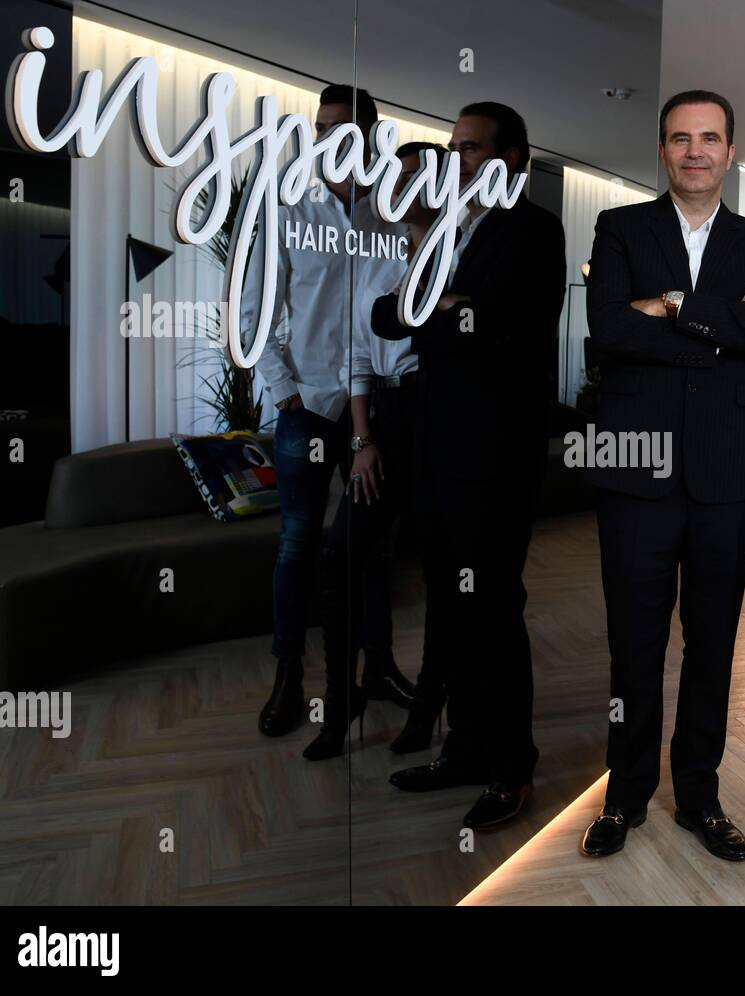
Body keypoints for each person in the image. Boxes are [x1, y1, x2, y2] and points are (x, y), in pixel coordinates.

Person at [579, 90, 745, 862]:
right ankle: (624, 794)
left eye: (709, 138)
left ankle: (699, 796)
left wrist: (667, 308)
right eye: (680, 138)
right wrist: (715, 321)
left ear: (730, 151)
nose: (695, 151)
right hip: (634, 470)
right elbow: (605, 331)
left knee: (712, 644)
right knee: (632, 644)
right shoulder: (620, 226)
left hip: (727, 477)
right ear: (663, 151)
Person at [375, 103, 566, 831]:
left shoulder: (533, 230)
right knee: (452, 610)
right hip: (437, 452)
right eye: (454, 149)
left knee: (491, 610)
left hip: (493, 458)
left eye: (471, 149)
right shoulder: (450, 233)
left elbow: (500, 332)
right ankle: (464, 748)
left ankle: (513, 768)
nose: (457, 161)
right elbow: (386, 318)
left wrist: (450, 310)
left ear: (512, 157)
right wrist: (447, 303)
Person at [243, 85, 415, 739]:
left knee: (373, 547)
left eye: (342, 128)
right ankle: (290, 679)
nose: (328, 138)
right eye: (321, 128)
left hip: (375, 405)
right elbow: (258, 313)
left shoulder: (394, 218)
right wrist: (285, 392)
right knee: (297, 544)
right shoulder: (289, 209)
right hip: (310, 404)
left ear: (371, 136)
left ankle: (379, 669)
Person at [304, 141, 448, 761]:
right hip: (381, 419)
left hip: (438, 415)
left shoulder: (456, 251)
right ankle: (338, 709)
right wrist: (361, 439)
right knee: (341, 553)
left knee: (445, 569)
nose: (400, 184)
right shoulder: (374, 253)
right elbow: (357, 356)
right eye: (396, 174)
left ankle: (429, 713)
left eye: (414, 175)